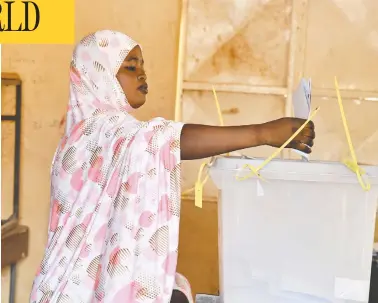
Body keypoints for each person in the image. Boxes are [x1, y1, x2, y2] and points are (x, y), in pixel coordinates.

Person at [30, 30, 315, 303]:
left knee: (176, 287)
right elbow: (161, 140)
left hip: (66, 288)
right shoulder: (97, 131)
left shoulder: (92, 133)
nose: (142, 73)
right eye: (129, 67)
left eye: (142, 65)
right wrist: (262, 134)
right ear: (98, 75)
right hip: (74, 292)